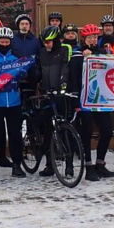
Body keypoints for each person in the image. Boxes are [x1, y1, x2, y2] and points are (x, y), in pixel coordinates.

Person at [0, 27, 28, 178]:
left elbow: (26, 75)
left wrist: (24, 73)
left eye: (7, 41)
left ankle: (17, 165)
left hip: (14, 102)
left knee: (15, 136)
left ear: (10, 42)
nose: (4, 43)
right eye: (2, 41)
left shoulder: (16, 57)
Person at [69, 24, 113, 180]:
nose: (93, 40)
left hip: (100, 99)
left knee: (107, 130)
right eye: (90, 37)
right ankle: (88, 167)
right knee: (86, 133)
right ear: (84, 39)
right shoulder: (77, 55)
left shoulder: (101, 52)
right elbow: (73, 79)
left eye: (95, 37)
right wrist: (75, 103)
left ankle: (100, 163)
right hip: (84, 100)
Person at [36, 26, 68, 178]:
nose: (47, 45)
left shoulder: (63, 51)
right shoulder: (41, 53)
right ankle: (49, 163)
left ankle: (69, 166)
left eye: (49, 42)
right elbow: (38, 71)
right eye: (44, 42)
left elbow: (65, 70)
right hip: (46, 94)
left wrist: (63, 85)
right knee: (47, 130)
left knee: (65, 129)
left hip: (60, 94)